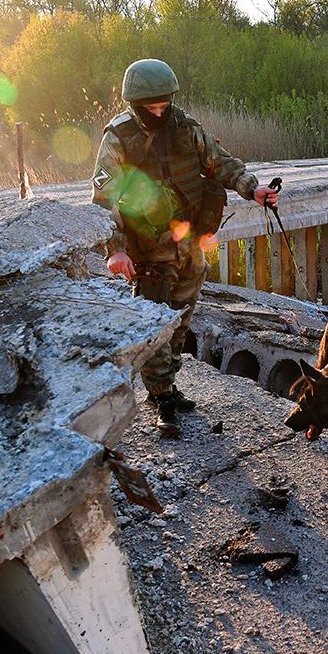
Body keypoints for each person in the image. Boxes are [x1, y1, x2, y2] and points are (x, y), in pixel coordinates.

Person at [91, 58, 278, 437]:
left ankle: (170, 386)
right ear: (135, 103)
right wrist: (116, 250)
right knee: (156, 325)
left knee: (180, 321)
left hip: (188, 243)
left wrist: (252, 189)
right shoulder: (119, 137)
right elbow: (103, 198)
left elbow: (220, 164)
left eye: (165, 103)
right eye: (151, 107)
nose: (160, 111)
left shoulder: (185, 126)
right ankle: (160, 397)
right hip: (147, 250)